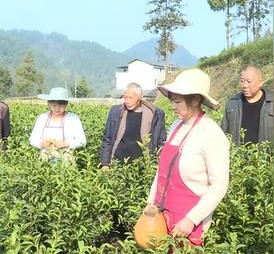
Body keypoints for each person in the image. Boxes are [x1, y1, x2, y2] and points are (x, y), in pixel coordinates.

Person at [145, 68, 230, 246]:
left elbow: (219, 186)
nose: (172, 106)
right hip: (163, 216)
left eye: (177, 101)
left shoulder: (211, 133)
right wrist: (151, 202)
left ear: (196, 100)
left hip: (189, 223)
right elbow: (162, 171)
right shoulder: (176, 125)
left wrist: (191, 219)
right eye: (172, 101)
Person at [100, 82, 166, 168]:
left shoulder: (155, 114)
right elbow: (107, 138)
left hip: (143, 164)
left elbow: (161, 141)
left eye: (130, 98)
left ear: (140, 97)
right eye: (125, 97)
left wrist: (160, 164)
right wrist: (105, 163)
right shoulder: (116, 112)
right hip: (118, 162)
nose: (127, 101)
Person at [29, 87, 86, 163]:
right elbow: (33, 139)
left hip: (66, 158)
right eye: (54, 105)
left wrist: (66, 143)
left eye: (61, 105)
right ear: (49, 103)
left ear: (66, 104)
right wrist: (42, 143)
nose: (57, 109)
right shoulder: (43, 117)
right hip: (45, 156)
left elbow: (82, 141)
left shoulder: (72, 118)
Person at [221, 65, 273, 145]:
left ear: (260, 83)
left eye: (249, 81)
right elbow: (223, 134)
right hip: (238, 156)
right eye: (242, 81)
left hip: (265, 156)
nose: (245, 86)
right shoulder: (232, 105)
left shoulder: (271, 104)